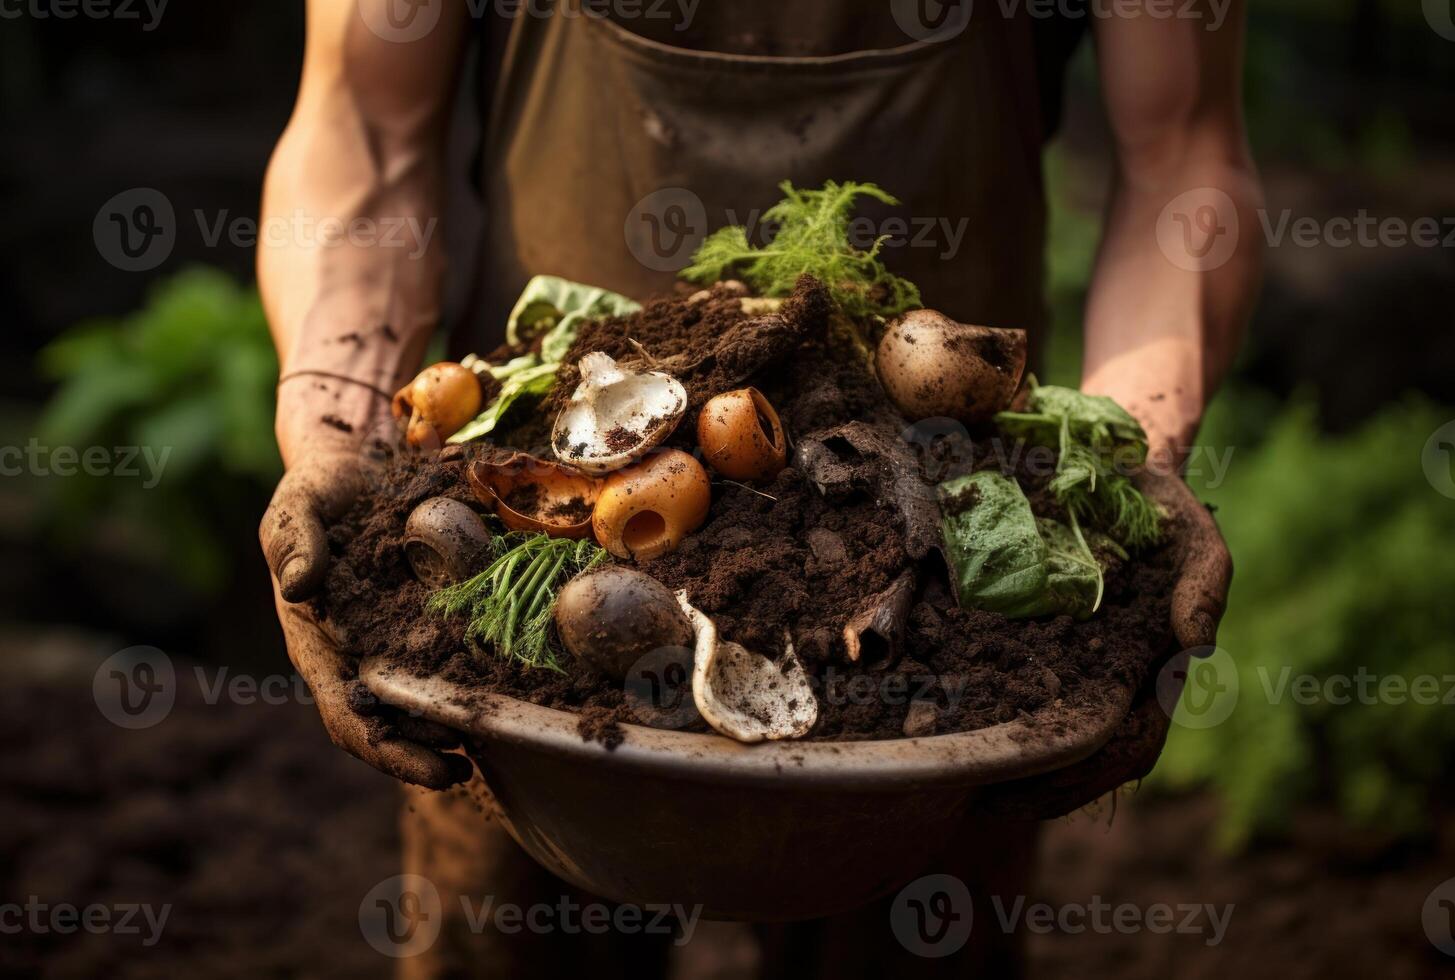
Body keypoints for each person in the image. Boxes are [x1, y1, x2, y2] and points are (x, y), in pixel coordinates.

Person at [258, 1, 1257, 974]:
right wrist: (335, 419)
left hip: (951, 596)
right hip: (515, 584)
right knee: (509, 938)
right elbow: (363, 126)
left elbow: (1183, 155)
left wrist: (1139, 459)